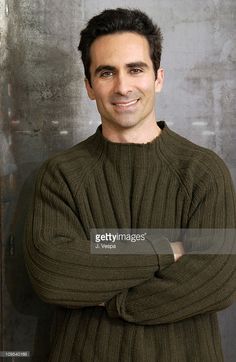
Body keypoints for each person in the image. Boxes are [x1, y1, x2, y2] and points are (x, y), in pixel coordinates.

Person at [24, 8, 236, 362]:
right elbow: (54, 273)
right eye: (107, 72)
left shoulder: (203, 171)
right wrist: (167, 249)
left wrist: (112, 296)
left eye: (135, 69)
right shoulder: (60, 174)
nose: (123, 86)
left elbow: (216, 281)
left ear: (158, 78)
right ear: (89, 86)